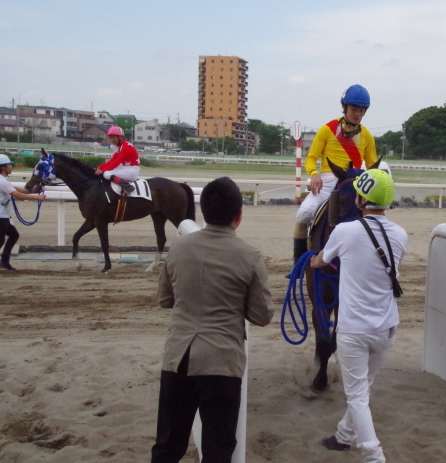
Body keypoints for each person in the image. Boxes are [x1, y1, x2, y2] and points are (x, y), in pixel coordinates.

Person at [152, 177, 274, 463]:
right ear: (239, 215)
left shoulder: (178, 248)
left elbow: (165, 300)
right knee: (218, 450)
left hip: (178, 358)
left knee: (168, 447)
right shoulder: (250, 256)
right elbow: (261, 316)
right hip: (221, 362)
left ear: (203, 212)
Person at [310, 169, 408, 463]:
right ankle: (342, 435)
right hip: (387, 326)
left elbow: (321, 260)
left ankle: (373, 455)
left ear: (360, 197)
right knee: (363, 388)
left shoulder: (344, 231)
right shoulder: (401, 235)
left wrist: (311, 260)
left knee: (357, 396)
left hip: (354, 330)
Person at [289, 84, 378, 275]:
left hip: (354, 183)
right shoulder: (326, 130)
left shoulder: (368, 137)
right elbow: (311, 158)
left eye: (361, 110)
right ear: (344, 107)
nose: (357, 114)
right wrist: (314, 175)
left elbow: (372, 168)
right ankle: (298, 263)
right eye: (354, 109)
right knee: (303, 214)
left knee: (375, 218)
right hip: (328, 181)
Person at [0, 154, 46, 271]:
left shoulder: (4, 180)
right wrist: (38, 198)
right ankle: (4, 261)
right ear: (3, 167)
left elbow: (20, 190)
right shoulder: (2, 181)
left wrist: (34, 190)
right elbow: (18, 195)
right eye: (9, 165)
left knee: (14, 235)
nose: (11, 167)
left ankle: (4, 261)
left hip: (4, 215)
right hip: (1, 216)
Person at [95, 126, 140, 194]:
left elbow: (116, 163)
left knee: (106, 174)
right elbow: (112, 161)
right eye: (111, 138)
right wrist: (99, 167)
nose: (112, 140)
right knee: (107, 172)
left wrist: (102, 171)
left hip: (132, 171)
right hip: (127, 170)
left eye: (114, 137)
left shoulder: (126, 146)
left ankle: (127, 186)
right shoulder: (119, 147)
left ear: (120, 137)